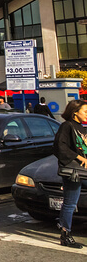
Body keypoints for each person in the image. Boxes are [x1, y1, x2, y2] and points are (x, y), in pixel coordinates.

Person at [53, 99, 87, 248]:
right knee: (70, 203)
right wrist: (79, 157)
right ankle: (66, 235)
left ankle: (64, 227)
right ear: (75, 113)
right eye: (85, 111)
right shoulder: (67, 126)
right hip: (74, 171)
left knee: (71, 202)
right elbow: (59, 147)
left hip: (83, 170)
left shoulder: (82, 127)